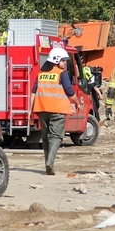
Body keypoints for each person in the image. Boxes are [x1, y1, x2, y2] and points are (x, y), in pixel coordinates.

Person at [30, 47, 81, 175]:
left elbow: (33, 92)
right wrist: (76, 102)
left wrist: (31, 110)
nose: (65, 63)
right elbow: (69, 90)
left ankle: (48, 162)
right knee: (56, 136)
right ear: (57, 60)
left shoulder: (41, 73)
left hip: (41, 109)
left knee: (46, 137)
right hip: (57, 109)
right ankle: (50, 162)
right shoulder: (61, 73)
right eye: (63, 60)